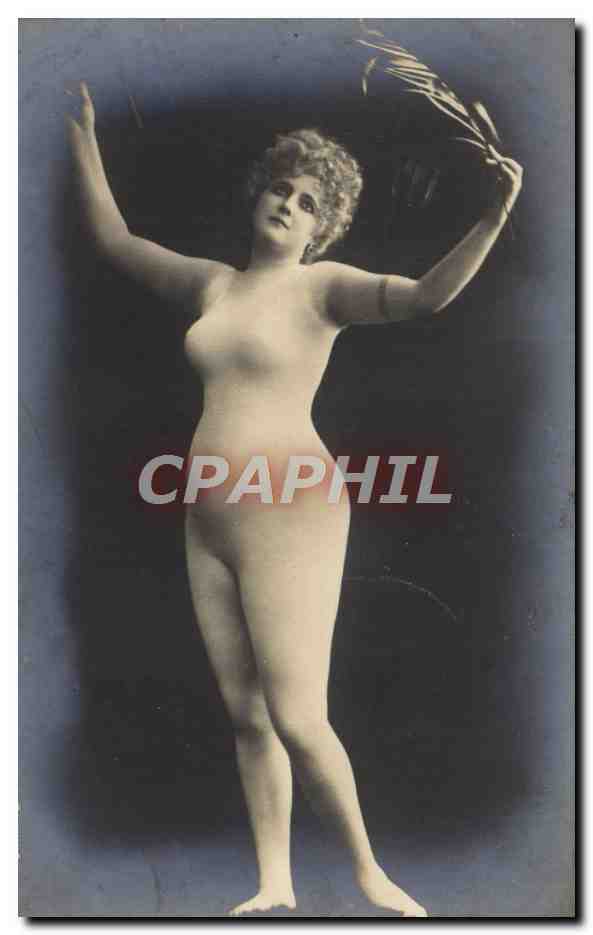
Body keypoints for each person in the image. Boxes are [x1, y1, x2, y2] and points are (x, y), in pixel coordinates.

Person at [68, 82, 522, 917]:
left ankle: (367, 873)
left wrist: (493, 215)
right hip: (207, 511)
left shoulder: (323, 289)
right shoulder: (212, 286)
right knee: (247, 716)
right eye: (282, 187)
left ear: (323, 228)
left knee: (298, 716)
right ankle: (273, 881)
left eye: (310, 202)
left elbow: (427, 296)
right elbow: (114, 239)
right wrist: (81, 132)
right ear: (259, 193)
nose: (289, 203)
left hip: (290, 505)